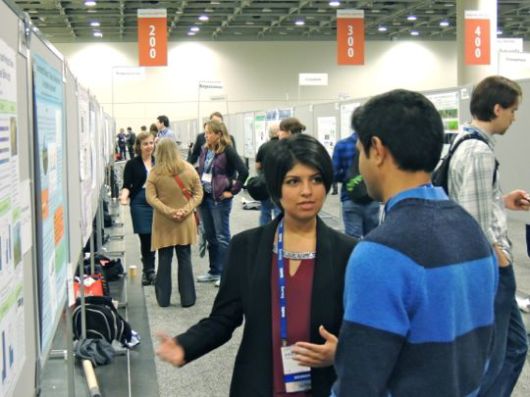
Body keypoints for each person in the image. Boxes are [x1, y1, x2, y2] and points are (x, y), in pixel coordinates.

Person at [156, 134, 356, 396]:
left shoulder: (349, 253)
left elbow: (367, 333)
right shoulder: (247, 248)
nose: (307, 191)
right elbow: (223, 319)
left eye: (316, 180)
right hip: (259, 382)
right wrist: (185, 345)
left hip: (323, 385)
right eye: (293, 181)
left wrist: (342, 353)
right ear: (276, 187)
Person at [332, 89, 498, 396]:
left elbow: (358, 384)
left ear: (377, 150)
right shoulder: (473, 231)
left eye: (360, 151)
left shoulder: (378, 253)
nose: (360, 162)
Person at [447, 76, 529, 397]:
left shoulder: (462, 140)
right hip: (491, 269)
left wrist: (502, 201)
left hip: (484, 267)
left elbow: (469, 200)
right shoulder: (479, 153)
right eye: (512, 110)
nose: (514, 117)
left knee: (514, 349)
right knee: (493, 359)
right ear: (497, 108)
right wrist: (502, 262)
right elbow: (475, 223)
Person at [146, 139, 203, 308]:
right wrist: (185, 210)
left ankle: (163, 300)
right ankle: (188, 299)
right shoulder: (189, 169)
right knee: (185, 258)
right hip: (185, 221)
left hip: (163, 222)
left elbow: (151, 198)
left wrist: (169, 211)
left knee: (164, 259)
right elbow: (198, 194)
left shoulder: (155, 173)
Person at [195, 120, 248, 286]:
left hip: (219, 200)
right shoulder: (205, 150)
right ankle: (214, 271)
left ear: (218, 134)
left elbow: (244, 171)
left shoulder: (228, 151)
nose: (206, 135)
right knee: (210, 236)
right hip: (205, 198)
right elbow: (203, 171)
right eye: (205, 132)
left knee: (222, 237)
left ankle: (226, 274)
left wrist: (232, 191)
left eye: (209, 132)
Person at [120, 131, 156, 285]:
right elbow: (127, 185)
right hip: (139, 203)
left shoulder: (159, 161)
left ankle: (150, 271)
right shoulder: (132, 164)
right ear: (139, 146)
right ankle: (148, 271)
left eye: (151, 143)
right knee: (145, 237)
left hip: (156, 201)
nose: (149, 146)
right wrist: (123, 196)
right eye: (145, 144)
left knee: (154, 237)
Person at [332, 130, 380, 239]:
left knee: (353, 239)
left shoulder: (342, 145)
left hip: (349, 198)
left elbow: (333, 174)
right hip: (371, 197)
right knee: (374, 238)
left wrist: (348, 178)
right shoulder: (375, 145)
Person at [255, 122, 281, 225]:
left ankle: (264, 235)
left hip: (265, 183)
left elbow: (257, 165)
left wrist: (261, 175)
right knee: (279, 211)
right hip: (279, 184)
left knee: (265, 211)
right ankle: (280, 235)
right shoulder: (284, 146)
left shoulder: (263, 147)